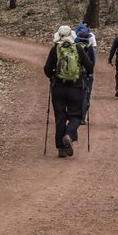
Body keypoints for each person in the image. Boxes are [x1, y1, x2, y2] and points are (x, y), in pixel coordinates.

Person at [44, 24, 94, 157]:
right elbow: (90, 67)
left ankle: (61, 148)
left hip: (58, 88)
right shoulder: (78, 49)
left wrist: (54, 77)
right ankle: (69, 135)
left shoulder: (55, 49)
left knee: (60, 117)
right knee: (76, 116)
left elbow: (47, 70)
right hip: (75, 88)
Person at [76, 25, 96, 123]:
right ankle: (83, 116)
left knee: (76, 94)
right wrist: (90, 74)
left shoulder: (75, 48)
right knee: (85, 95)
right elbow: (92, 62)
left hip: (76, 75)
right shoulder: (90, 48)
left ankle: (75, 114)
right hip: (87, 75)